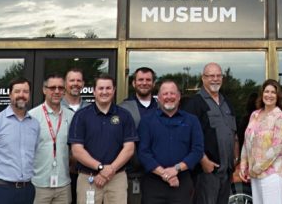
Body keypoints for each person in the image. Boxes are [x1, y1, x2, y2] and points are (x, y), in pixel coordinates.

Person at [68, 74, 138, 204]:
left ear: (114, 90)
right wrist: (100, 168)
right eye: (100, 88)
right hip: (88, 177)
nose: (104, 92)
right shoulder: (81, 116)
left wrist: (110, 169)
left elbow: (129, 149)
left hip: (117, 178)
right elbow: (77, 150)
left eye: (108, 88)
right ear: (94, 91)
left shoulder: (124, 115)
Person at [0, 78, 40, 204]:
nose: (21, 95)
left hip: (27, 190)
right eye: (17, 91)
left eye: (25, 91)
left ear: (29, 95)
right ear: (10, 94)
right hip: (1, 191)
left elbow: (34, 154)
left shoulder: (35, 124)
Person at [138, 80, 205, 204]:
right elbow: (143, 152)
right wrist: (165, 174)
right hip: (153, 184)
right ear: (158, 98)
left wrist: (176, 169)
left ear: (179, 97)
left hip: (182, 182)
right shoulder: (147, 121)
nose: (169, 97)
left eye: (172, 93)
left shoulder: (192, 121)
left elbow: (197, 151)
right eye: (165, 94)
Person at [181, 62, 238, 204]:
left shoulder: (227, 103)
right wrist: (204, 161)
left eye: (218, 75)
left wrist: (235, 159)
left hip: (226, 171)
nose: (215, 79)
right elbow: (188, 137)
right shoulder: (194, 104)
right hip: (206, 172)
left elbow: (234, 134)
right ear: (203, 78)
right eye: (211, 76)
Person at [239, 79, 282, 204]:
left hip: (272, 174)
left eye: (273, 92)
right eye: (267, 91)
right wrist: (243, 165)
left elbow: (276, 148)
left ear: (278, 96)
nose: (269, 95)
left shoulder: (280, 117)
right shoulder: (255, 115)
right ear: (262, 94)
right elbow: (247, 142)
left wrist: (257, 168)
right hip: (255, 174)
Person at [29, 74, 75, 204]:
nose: (56, 91)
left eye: (60, 88)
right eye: (52, 87)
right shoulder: (32, 117)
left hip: (63, 185)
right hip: (39, 185)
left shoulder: (71, 116)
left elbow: (75, 149)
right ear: (44, 90)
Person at [118, 67, 160, 204]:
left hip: (158, 173)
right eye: (140, 79)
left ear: (153, 84)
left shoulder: (161, 107)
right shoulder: (123, 108)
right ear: (134, 83)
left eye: (148, 80)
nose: (144, 83)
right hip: (132, 174)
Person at [60, 68, 90, 204]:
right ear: (65, 83)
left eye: (79, 80)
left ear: (83, 84)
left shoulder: (91, 109)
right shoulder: (55, 107)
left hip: (86, 171)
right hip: (61, 172)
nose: (75, 83)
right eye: (72, 80)